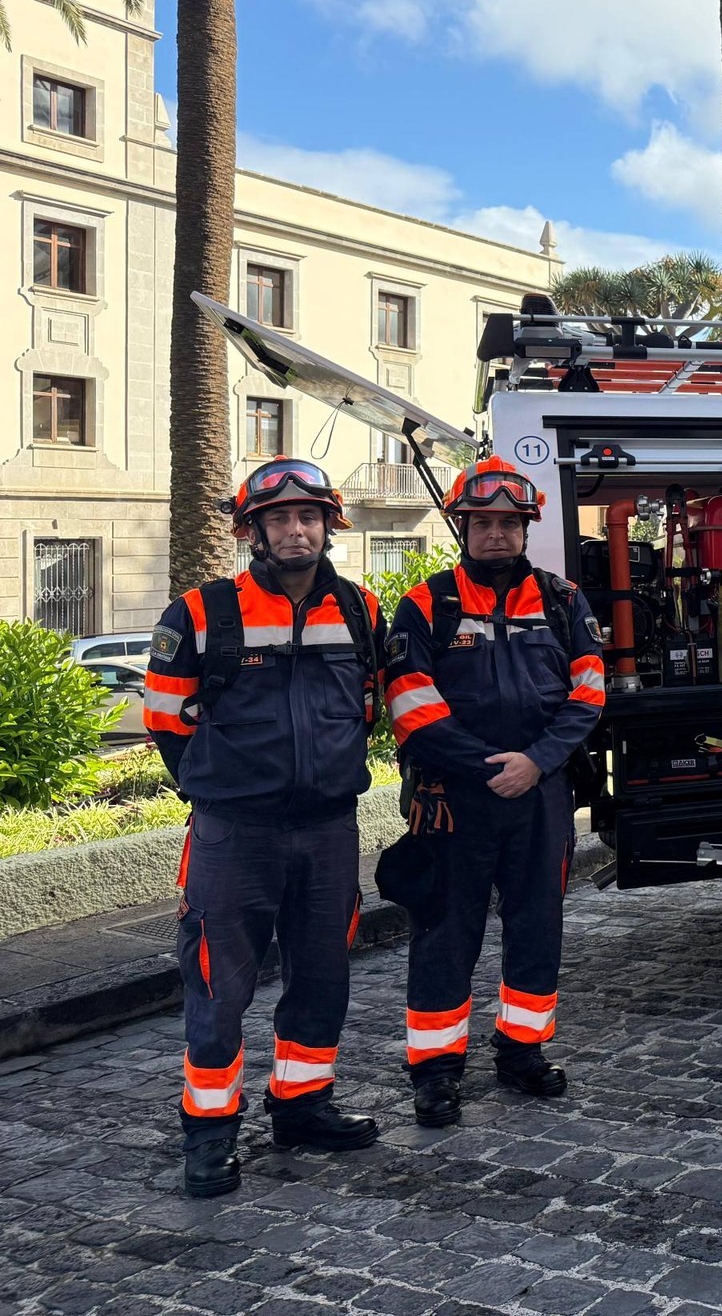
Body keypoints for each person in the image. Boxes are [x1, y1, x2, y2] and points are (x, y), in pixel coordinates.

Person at [142, 459, 385, 1198]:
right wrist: (226, 786)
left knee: (323, 976)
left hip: (327, 829)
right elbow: (164, 720)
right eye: (278, 518)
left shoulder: (360, 609)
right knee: (218, 988)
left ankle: (302, 1105)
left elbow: (369, 705)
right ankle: (209, 1136)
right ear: (251, 531)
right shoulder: (201, 611)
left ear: (329, 526)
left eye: (308, 516)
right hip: (234, 834)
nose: (295, 529)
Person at [384, 458, 608, 1125]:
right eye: (483, 524)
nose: (497, 536)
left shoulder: (563, 600)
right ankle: (435, 1069)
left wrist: (536, 762)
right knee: (446, 933)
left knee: (537, 926)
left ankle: (523, 1050)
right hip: (456, 798)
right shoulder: (427, 603)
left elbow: (589, 691)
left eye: (509, 524)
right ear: (462, 527)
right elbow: (409, 702)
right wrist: (490, 767)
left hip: (539, 795)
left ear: (526, 528)